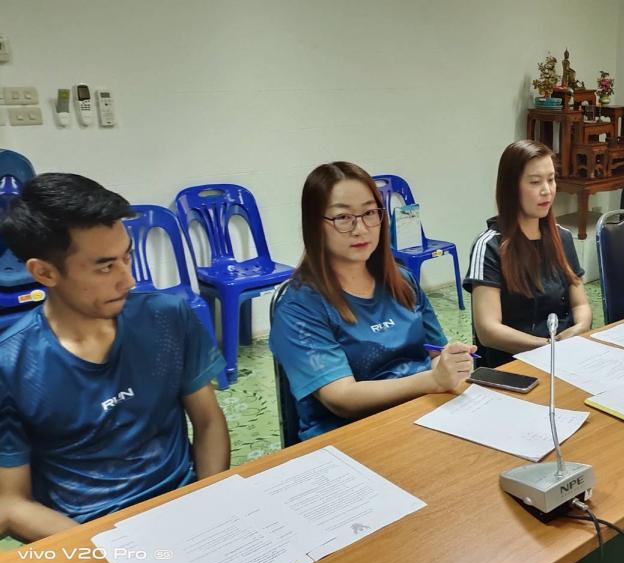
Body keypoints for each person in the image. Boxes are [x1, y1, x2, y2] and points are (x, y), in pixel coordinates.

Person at [0, 174, 229, 542]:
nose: (128, 280)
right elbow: (11, 503)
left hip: (184, 505)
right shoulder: (12, 365)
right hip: (90, 530)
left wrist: (210, 502)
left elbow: (208, 423)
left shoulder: (167, 317)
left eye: (127, 257)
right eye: (106, 267)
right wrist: (109, 550)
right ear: (44, 272)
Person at [270, 162, 475, 441]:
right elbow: (341, 398)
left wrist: (452, 363)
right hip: (351, 436)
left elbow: (436, 353)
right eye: (343, 217)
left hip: (422, 417)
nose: (361, 229)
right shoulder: (299, 306)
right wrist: (431, 380)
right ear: (315, 225)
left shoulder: (402, 280)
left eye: (369, 213)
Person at [464, 140, 592, 368]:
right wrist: (546, 347)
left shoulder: (562, 237)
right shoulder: (489, 246)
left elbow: (580, 305)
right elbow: (488, 330)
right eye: (535, 182)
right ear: (511, 188)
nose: (547, 190)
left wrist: (576, 332)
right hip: (512, 365)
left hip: (563, 356)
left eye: (551, 179)